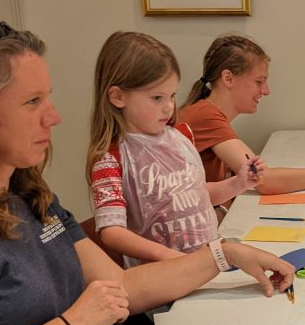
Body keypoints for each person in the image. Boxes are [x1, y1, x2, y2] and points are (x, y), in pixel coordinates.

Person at [0, 24, 294, 325]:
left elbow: (122, 286)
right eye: (32, 101)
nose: (54, 117)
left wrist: (225, 254)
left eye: (48, 98)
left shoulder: (35, 201)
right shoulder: (112, 157)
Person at [87, 31, 264, 267]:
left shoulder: (181, 135)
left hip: (207, 264)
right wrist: (169, 257)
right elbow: (112, 231)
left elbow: (197, 195)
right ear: (118, 97)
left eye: (172, 96)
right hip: (163, 276)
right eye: (157, 98)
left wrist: (238, 183)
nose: (169, 107)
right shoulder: (110, 158)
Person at [179, 35, 305, 195]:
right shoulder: (206, 117)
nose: (266, 91)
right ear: (228, 78)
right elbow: (263, 180)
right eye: (259, 82)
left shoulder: (204, 111)